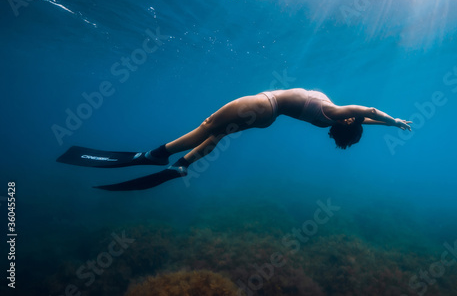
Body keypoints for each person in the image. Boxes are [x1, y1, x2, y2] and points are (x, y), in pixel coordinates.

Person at [57, 88, 411, 191]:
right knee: (218, 135)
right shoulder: (334, 123)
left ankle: (154, 154)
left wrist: (393, 120)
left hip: (263, 105)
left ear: (349, 120)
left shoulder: (337, 112)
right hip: (267, 118)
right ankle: (182, 166)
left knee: (207, 126)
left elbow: (371, 109)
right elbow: (366, 119)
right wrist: (390, 128)